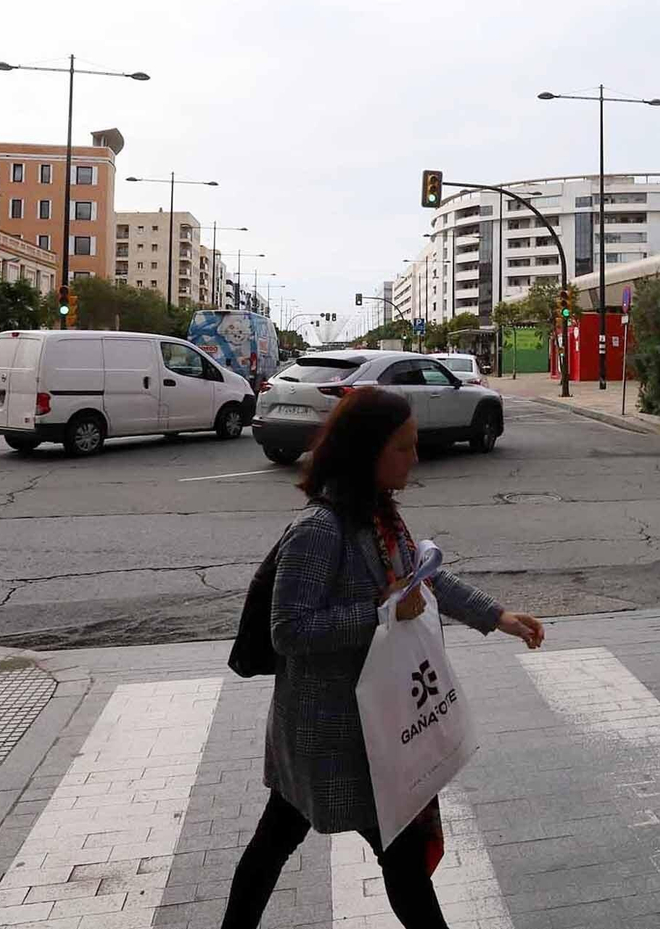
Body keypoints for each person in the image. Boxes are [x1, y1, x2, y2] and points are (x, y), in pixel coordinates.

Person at [223, 388, 545, 929]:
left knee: (387, 855)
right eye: (403, 447)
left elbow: (428, 578)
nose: (414, 458)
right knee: (286, 841)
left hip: (374, 727)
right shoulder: (319, 531)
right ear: (367, 451)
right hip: (325, 733)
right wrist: (378, 615)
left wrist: (499, 617)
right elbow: (288, 630)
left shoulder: (384, 518)